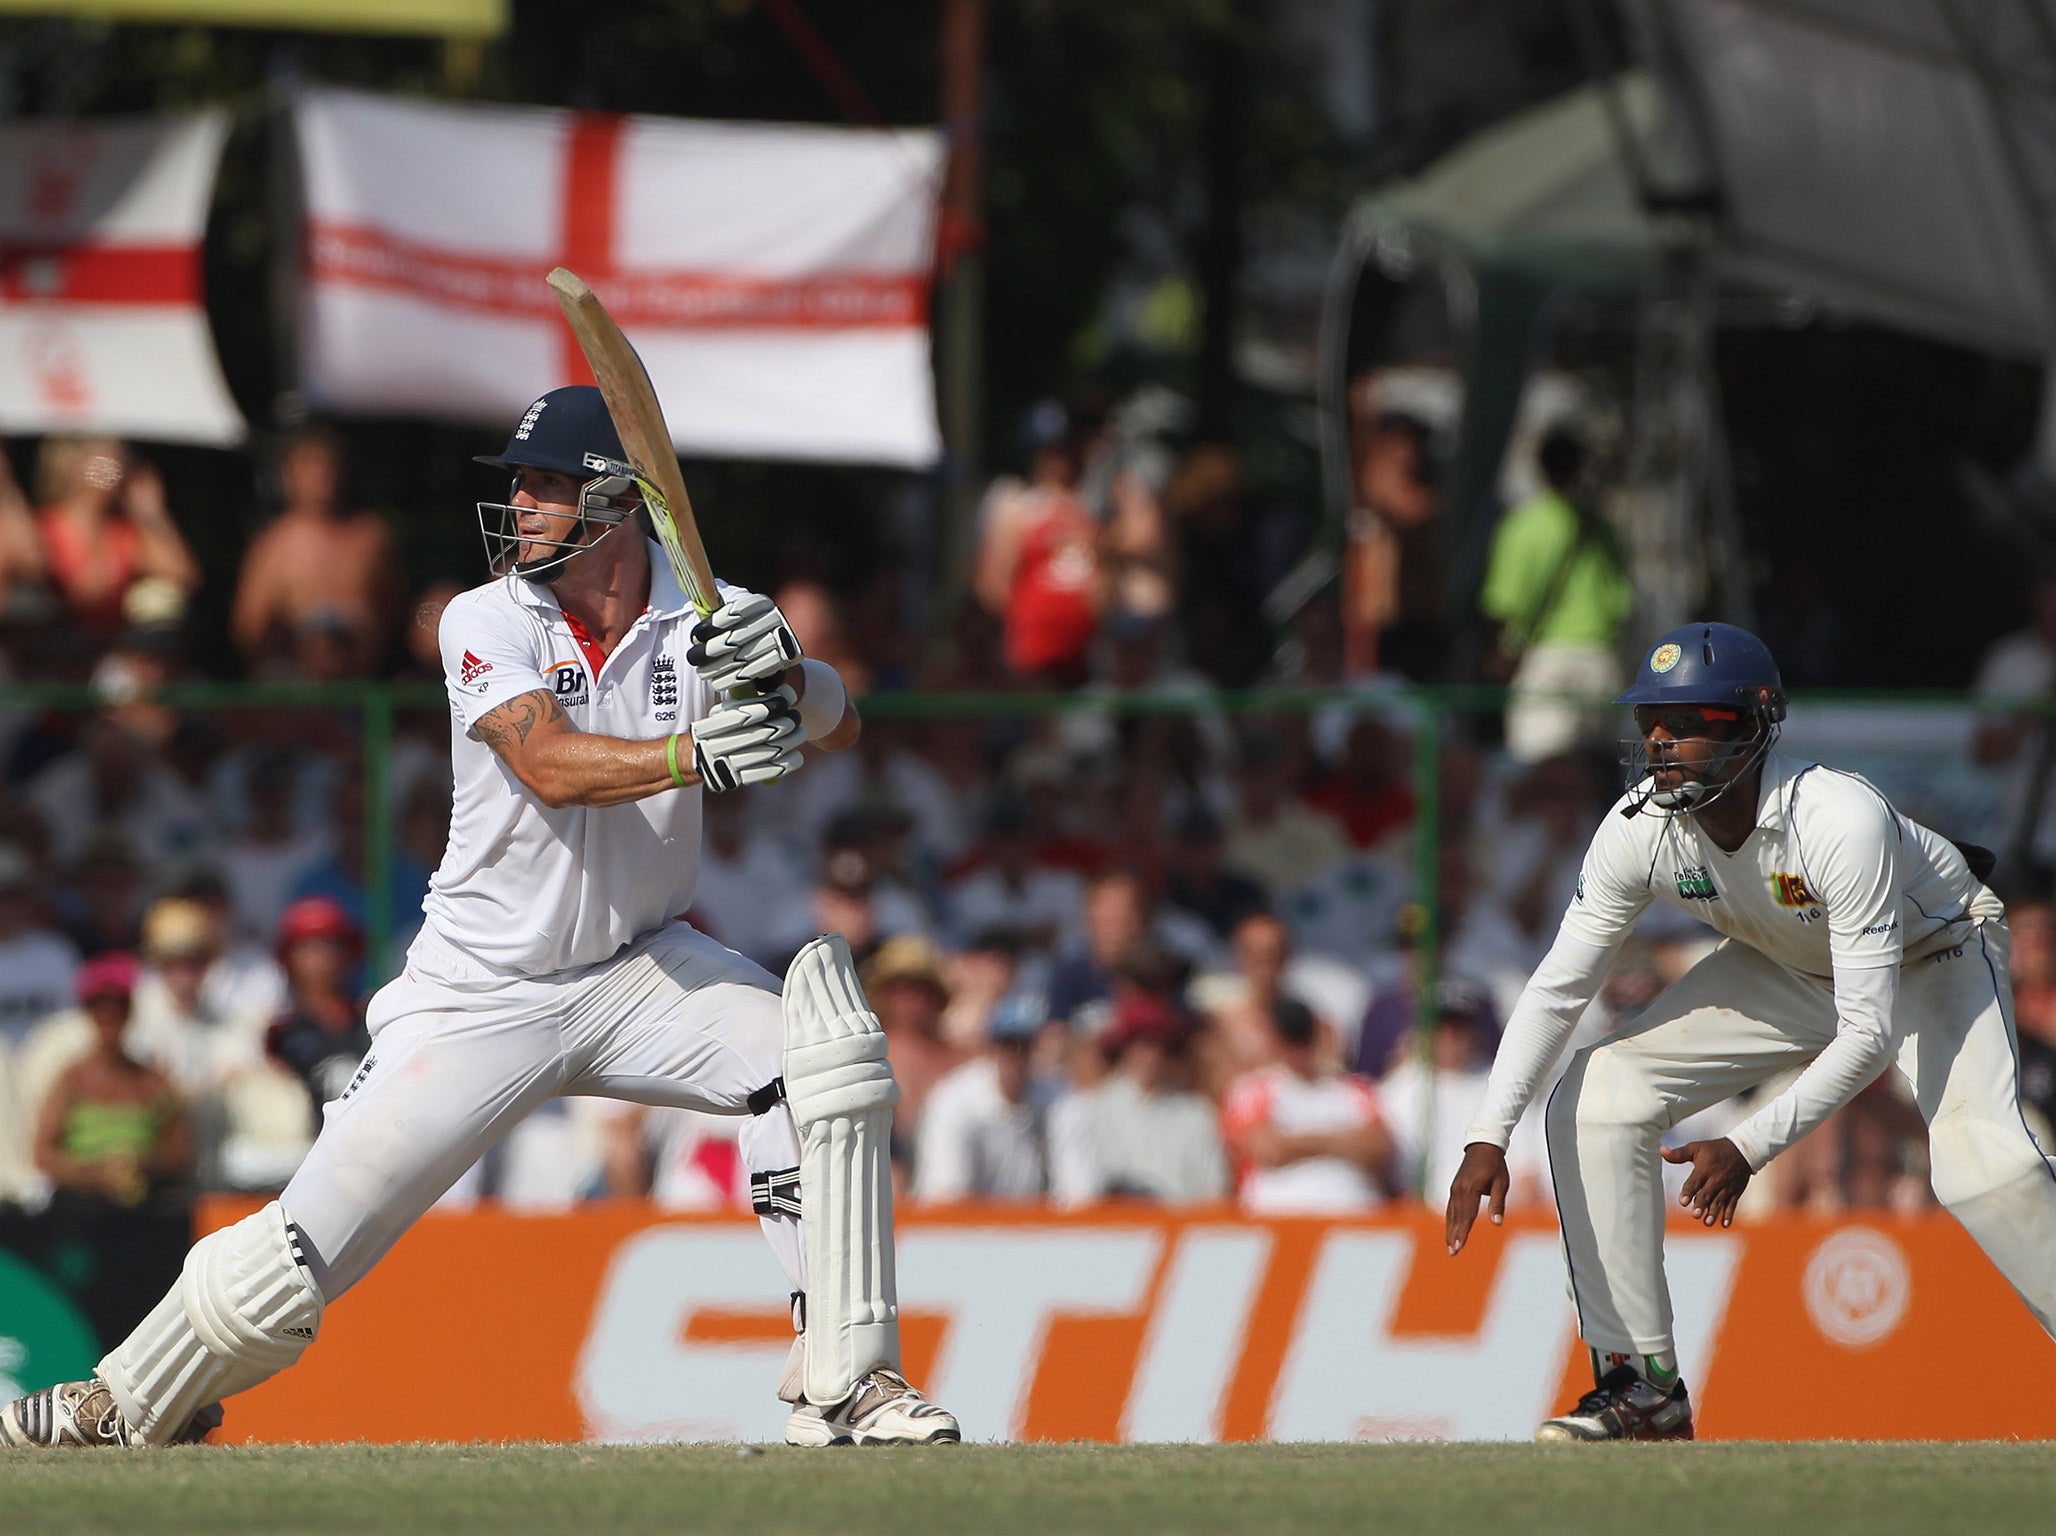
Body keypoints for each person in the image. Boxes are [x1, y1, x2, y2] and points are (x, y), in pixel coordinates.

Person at [0, 385, 957, 1450]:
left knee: (820, 1053)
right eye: (519, 485)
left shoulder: (705, 618)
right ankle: (119, 1401)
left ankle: (851, 1382)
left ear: (613, 504)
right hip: (479, 991)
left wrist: (795, 673)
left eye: (546, 486)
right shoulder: (485, 615)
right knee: (294, 1264)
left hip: (637, 971)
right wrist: (698, 753)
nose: (522, 505)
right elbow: (547, 764)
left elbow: (840, 726)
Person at [1446, 622, 2056, 1443]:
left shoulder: (1839, 818)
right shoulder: (1638, 827)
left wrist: (1749, 1143)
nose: (1660, 744)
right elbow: (1559, 986)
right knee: (1596, 1097)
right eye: (1648, 724)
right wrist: (1486, 1134)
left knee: (1987, 1169)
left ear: (1752, 723)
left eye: (1686, 720)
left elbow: (1867, 1033)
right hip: (1787, 961)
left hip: (1932, 951)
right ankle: (1641, 1390)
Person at [1477, 425, 1634, 763]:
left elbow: (1502, 604)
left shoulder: (1522, 525)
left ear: (1540, 467)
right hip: (1599, 659)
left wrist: (1499, 653)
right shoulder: (1601, 529)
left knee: (1537, 766)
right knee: (1596, 772)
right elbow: (1620, 603)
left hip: (1544, 659)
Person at [231, 426, 402, 677]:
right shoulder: (273, 543)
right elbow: (248, 631)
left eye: (328, 467)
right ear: (288, 476)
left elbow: (393, 610)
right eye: (309, 467)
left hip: (359, 682)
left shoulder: (371, 536)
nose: (321, 477)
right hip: (296, 686)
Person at [32, 953, 191, 1212]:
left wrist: (143, 1166)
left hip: (144, 1205)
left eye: (118, 1010)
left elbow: (179, 1152)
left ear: (128, 1013)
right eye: (101, 1010)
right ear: (90, 1014)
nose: (109, 1018)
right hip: (81, 1208)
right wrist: (94, 1174)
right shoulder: (71, 1080)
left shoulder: (153, 1081)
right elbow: (43, 1153)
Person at [1220, 997, 1393, 1214]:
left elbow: (1380, 1148)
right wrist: (1342, 1141)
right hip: (1280, 1217)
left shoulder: (1354, 1090)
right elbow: (1268, 1149)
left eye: (1303, 1038)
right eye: (1289, 1039)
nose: (1297, 1049)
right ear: (1274, 1039)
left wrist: (1299, 1141)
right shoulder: (1254, 1088)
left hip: (1354, 1216)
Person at [911, 992, 1050, 1203]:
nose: (1016, 1056)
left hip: (1021, 1227)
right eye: (1008, 1046)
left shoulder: (1052, 1097)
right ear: (991, 1048)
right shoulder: (954, 1101)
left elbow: (1078, 1192)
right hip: (952, 1228)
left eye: (1024, 1046)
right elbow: (948, 1195)